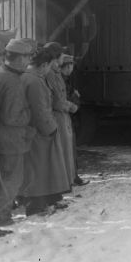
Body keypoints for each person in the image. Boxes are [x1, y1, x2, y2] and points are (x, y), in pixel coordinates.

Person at [0, 38, 35, 233]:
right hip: (11, 139)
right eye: (27, 57)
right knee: (12, 179)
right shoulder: (12, 81)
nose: (29, 61)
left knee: (2, 177)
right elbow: (12, 116)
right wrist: (29, 116)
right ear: (18, 58)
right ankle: (2, 216)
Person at [22, 47, 72, 216]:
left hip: (35, 131)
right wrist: (51, 129)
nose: (52, 68)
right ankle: (37, 204)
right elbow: (40, 110)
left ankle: (45, 201)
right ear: (43, 65)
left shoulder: (30, 77)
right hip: (40, 133)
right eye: (51, 65)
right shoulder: (35, 81)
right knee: (42, 169)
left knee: (41, 168)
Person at [44, 42, 78, 186]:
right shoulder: (50, 74)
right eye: (61, 56)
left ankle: (65, 185)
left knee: (65, 151)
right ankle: (61, 186)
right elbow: (57, 101)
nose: (63, 59)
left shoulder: (54, 72)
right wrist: (71, 106)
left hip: (62, 117)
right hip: (58, 117)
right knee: (60, 154)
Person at [60, 53, 88, 186]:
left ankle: (73, 176)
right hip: (65, 117)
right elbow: (67, 101)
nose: (72, 68)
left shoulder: (64, 79)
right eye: (70, 65)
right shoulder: (62, 80)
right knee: (69, 149)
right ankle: (72, 177)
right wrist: (75, 97)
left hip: (66, 118)